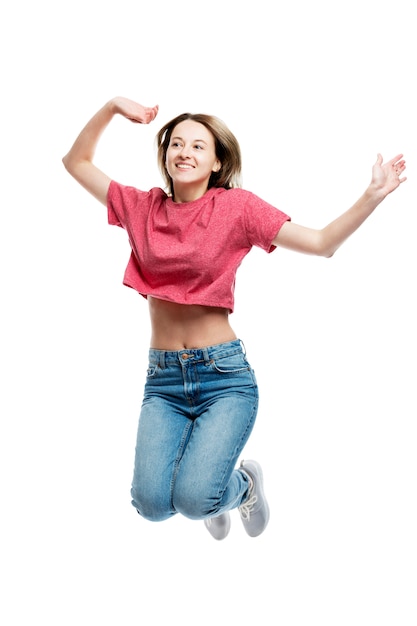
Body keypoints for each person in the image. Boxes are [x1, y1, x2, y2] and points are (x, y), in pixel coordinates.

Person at [62, 96, 406, 541]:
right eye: (177, 144)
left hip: (223, 377)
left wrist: (372, 195)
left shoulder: (236, 208)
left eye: (199, 146)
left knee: (194, 500)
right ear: (165, 154)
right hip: (163, 381)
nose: (185, 152)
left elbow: (321, 242)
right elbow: (76, 161)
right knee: (150, 505)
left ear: (217, 161)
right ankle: (214, 485)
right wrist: (111, 108)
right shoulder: (141, 208)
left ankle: (241, 487)